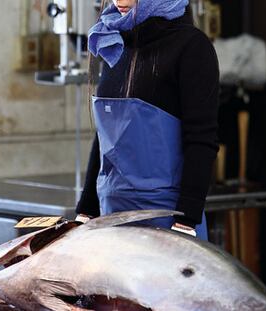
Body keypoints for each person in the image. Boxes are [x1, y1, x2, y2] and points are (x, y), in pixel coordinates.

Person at [75, 0, 219, 240]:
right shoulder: (112, 42)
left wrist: (186, 221)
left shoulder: (192, 46)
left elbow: (202, 139)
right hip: (110, 222)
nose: (119, 1)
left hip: (166, 221)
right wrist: (86, 211)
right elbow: (105, 136)